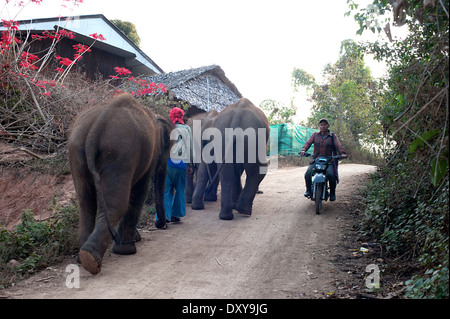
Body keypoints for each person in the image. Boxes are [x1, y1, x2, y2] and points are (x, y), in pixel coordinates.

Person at [158, 107, 193, 223]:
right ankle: (175, 215)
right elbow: (190, 148)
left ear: (171, 116)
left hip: (168, 164)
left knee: (166, 191)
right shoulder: (187, 129)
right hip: (182, 164)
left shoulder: (166, 127)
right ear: (181, 117)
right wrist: (190, 165)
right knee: (179, 190)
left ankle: (164, 217)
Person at [298, 118, 347, 201]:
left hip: (329, 161)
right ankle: (308, 190)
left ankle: (332, 193)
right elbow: (308, 143)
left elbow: (338, 146)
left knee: (331, 175)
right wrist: (303, 150)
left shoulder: (332, 136)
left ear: (328, 126)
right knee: (308, 173)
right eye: (321, 125)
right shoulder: (314, 135)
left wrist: (342, 153)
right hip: (316, 160)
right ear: (319, 126)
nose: (323, 126)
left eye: (325, 125)